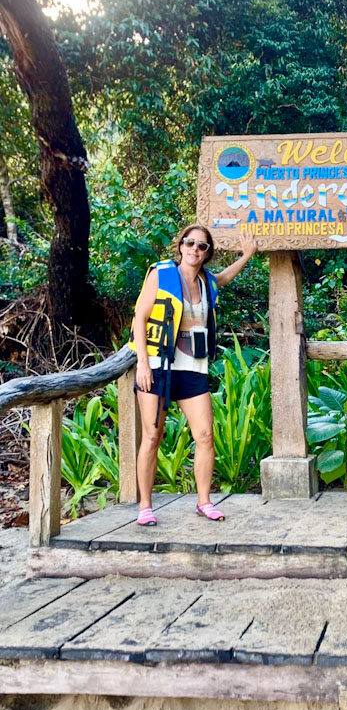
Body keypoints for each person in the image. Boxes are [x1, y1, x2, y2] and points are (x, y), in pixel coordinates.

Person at [128, 225, 257, 526]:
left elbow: (223, 278)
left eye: (202, 246)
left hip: (192, 367)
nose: (194, 250)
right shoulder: (161, 274)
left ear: (207, 252)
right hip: (158, 365)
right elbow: (140, 316)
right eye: (190, 243)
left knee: (205, 435)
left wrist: (247, 255)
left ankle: (204, 501)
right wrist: (143, 364)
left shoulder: (206, 281)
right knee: (152, 436)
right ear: (181, 245)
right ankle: (145, 506)